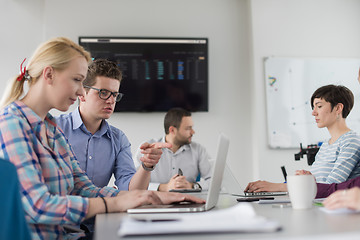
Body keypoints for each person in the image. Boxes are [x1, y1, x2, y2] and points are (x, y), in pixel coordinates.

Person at [0, 37, 204, 239]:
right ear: (49, 74)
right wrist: (113, 203)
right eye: (77, 80)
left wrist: (153, 196)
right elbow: (39, 206)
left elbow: (82, 187)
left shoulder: (51, 127)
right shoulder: (12, 123)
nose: (80, 91)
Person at [56, 58, 163, 190]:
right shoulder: (54, 129)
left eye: (114, 94)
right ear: (82, 93)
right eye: (104, 93)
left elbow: (131, 191)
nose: (111, 101)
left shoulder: (118, 139)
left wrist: (146, 166)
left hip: (101, 209)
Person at [245, 84, 360, 193]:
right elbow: (316, 184)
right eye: (313, 107)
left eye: (319, 106)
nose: (313, 113)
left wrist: (279, 186)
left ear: (338, 108)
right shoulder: (326, 145)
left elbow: (331, 187)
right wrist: (305, 178)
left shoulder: (350, 141)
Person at [134, 107, 212, 191]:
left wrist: (191, 186)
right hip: (154, 201)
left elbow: (214, 180)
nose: (193, 132)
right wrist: (164, 187)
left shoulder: (198, 150)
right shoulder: (148, 149)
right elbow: (133, 184)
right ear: (172, 130)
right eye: (188, 128)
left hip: (187, 201)